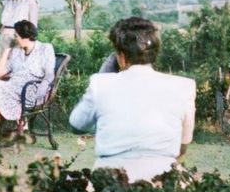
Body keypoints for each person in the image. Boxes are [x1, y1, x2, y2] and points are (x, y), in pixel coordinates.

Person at [69, 17, 196, 183]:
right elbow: (183, 146)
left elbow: (76, 124)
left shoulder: (100, 84)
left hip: (108, 183)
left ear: (121, 56)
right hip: (162, 182)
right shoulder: (184, 86)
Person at [0, 20, 55, 155]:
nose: (15, 39)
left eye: (16, 36)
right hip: (13, 88)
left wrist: (43, 89)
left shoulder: (45, 48)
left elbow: (49, 74)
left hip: (32, 91)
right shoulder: (17, 51)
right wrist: (6, 52)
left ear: (25, 36)